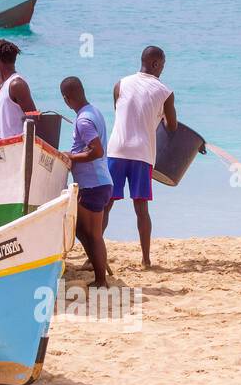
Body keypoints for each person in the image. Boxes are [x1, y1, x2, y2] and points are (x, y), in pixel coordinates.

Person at [105, 46, 176, 269]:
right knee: (141, 208)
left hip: (116, 150)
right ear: (155, 64)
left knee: (106, 205)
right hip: (142, 154)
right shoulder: (165, 92)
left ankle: (93, 255)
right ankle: (145, 259)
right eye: (162, 65)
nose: (162, 70)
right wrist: (161, 116)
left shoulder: (120, 84)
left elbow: (121, 112)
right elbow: (171, 127)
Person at [60, 77, 112, 288]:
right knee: (81, 230)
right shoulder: (94, 111)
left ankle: (101, 279)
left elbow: (96, 151)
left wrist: (70, 156)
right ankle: (101, 267)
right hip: (100, 183)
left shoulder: (83, 120)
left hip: (94, 185)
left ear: (66, 98)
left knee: (94, 235)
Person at [0, 39, 36, 139]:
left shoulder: (17, 84)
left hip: (17, 149)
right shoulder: (2, 88)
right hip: (5, 150)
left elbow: (35, 117)